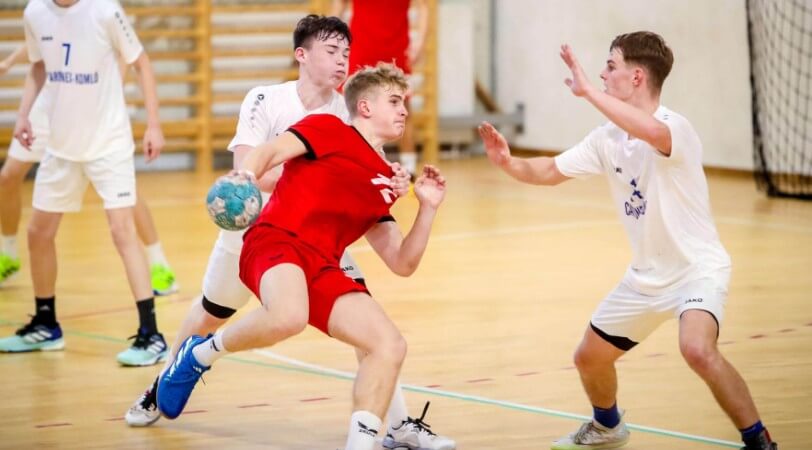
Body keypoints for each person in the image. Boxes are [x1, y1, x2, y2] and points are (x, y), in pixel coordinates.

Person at [124, 15, 455, 450]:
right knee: (211, 313)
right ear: (302, 54)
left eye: (346, 53)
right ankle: (163, 384)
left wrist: (392, 187)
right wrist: (313, 174)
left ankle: (395, 425)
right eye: (332, 51)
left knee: (375, 333)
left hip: (324, 242)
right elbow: (253, 159)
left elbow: (395, 246)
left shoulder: (347, 114)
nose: (342, 61)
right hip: (258, 230)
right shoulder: (272, 101)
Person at [478, 31, 778, 450]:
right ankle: (607, 427)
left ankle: (759, 441)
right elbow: (549, 171)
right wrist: (508, 163)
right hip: (645, 278)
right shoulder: (607, 138)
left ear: (636, 77)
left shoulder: (675, 128)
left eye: (610, 65)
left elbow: (651, 131)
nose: (602, 74)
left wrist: (588, 93)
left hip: (696, 271)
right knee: (588, 358)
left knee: (696, 349)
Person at [0, 0, 172, 367]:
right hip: (61, 146)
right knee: (39, 232)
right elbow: (39, 66)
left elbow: (141, 62)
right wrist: (23, 115)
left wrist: (153, 124)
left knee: (121, 231)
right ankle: (46, 324)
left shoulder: (105, 11)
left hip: (108, 144)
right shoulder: (35, 12)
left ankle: (151, 334)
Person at [0, 45, 178, 295]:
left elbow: (128, 56)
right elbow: (38, 36)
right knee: (8, 177)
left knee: (124, 193)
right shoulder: (49, 18)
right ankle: (8, 253)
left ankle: (159, 265)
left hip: (90, 113)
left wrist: (106, 98)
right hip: (47, 106)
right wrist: (8, 62)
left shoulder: (106, 20)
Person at [331, 0, 428, 176]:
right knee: (349, 109)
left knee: (402, 109)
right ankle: (346, 163)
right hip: (361, 46)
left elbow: (423, 6)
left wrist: (420, 41)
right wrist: (331, 40)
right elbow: (339, 4)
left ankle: (409, 168)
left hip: (395, 49)